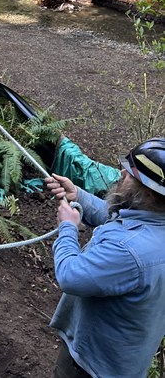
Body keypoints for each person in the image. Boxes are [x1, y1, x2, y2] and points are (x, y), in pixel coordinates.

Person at [45, 137, 165, 378]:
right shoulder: (153, 226)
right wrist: (78, 194)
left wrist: (68, 227)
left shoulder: (129, 251)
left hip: (92, 367)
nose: (121, 173)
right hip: (125, 361)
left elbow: (71, 275)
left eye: (131, 173)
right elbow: (124, 224)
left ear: (149, 194)